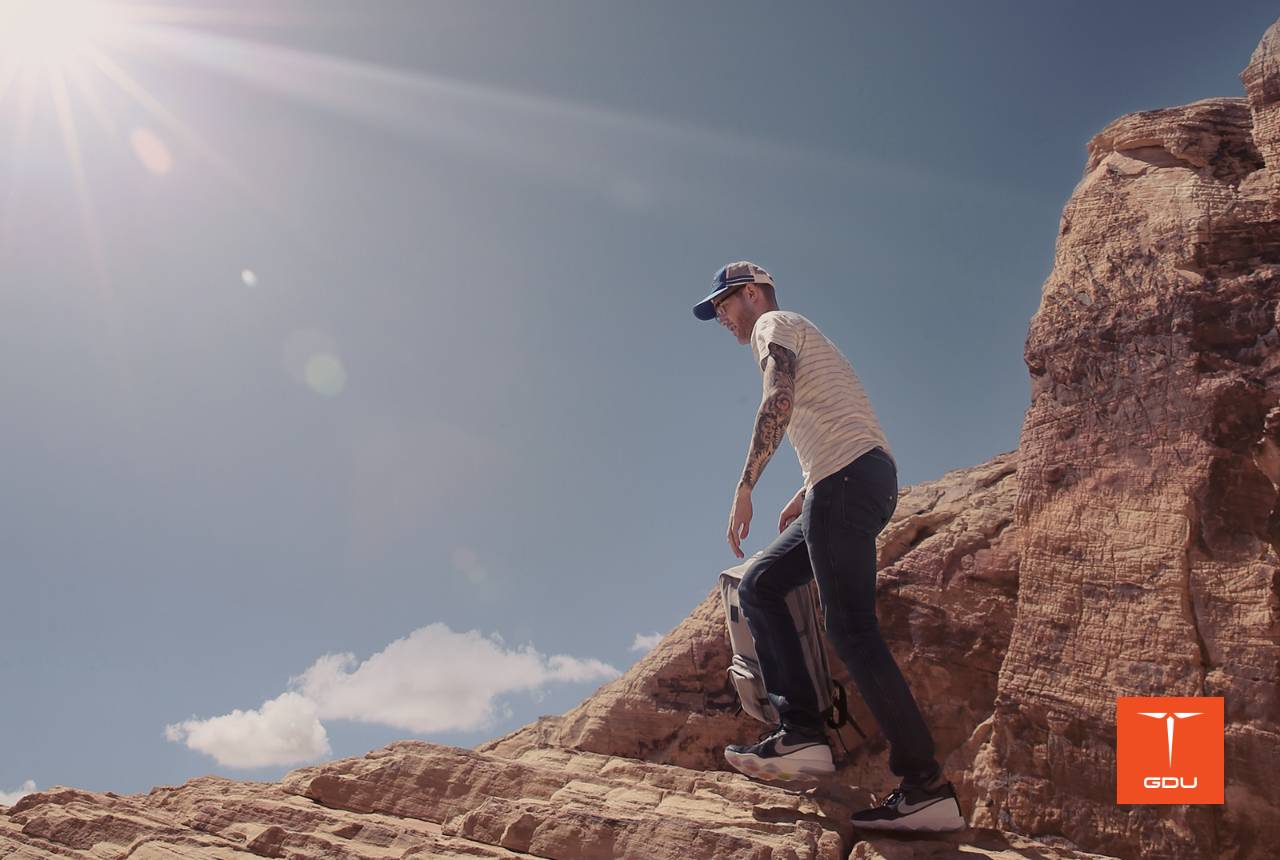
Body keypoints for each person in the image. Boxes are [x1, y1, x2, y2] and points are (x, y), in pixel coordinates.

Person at [692, 261, 965, 833]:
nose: (721, 317)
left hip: (845, 481)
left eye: (723, 304)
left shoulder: (774, 324)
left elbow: (778, 400)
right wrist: (805, 489)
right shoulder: (803, 331)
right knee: (762, 584)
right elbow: (843, 420)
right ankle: (805, 735)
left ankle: (922, 786)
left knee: (851, 629)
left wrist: (746, 485)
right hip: (848, 479)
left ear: (751, 293)